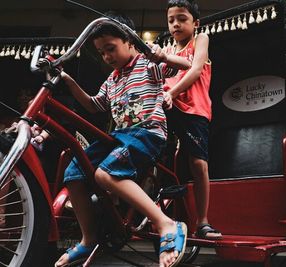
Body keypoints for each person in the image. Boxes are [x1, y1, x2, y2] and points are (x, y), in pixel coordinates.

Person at [54, 12, 191, 267]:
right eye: (101, 52)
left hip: (147, 133)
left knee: (105, 174)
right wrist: (69, 81)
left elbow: (186, 65)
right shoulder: (112, 79)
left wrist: (161, 55)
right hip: (120, 137)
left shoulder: (147, 63)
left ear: (130, 41)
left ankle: (166, 224)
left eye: (110, 48)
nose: (107, 57)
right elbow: (94, 105)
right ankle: (88, 239)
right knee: (73, 174)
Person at [162, 0, 222, 240]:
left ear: (195, 23)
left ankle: (203, 221)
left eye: (182, 19)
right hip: (168, 108)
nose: (176, 24)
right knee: (154, 160)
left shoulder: (201, 39)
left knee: (198, 165)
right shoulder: (167, 50)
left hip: (194, 111)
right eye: (171, 20)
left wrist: (172, 93)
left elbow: (195, 70)